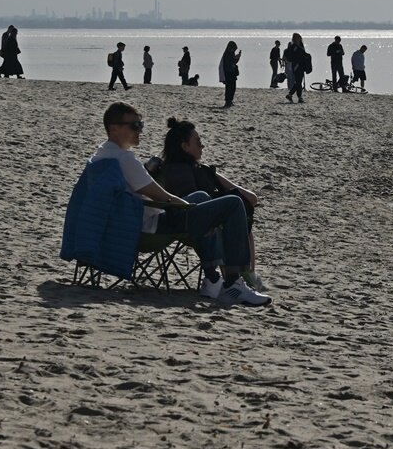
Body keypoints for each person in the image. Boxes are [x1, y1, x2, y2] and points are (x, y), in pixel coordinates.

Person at [91, 103, 270, 307]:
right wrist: (189, 208)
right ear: (114, 128)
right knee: (233, 204)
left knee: (202, 198)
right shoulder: (125, 159)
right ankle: (233, 283)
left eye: (141, 125)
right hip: (148, 228)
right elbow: (162, 196)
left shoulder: (101, 155)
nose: (140, 130)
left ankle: (212, 279)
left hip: (125, 223)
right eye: (135, 125)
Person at [158, 117, 268, 292]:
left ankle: (241, 276)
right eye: (199, 143)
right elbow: (251, 199)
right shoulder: (195, 172)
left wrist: (215, 176)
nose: (203, 147)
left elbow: (252, 199)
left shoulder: (167, 170)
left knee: (237, 211)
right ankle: (244, 275)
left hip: (184, 224)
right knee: (234, 212)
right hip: (193, 225)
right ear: (185, 146)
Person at [283, 33, 311, 103]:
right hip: (297, 66)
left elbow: (302, 54)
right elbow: (298, 55)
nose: (299, 39)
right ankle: (294, 95)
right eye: (298, 38)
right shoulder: (294, 47)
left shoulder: (298, 46)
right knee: (298, 82)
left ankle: (297, 96)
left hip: (300, 66)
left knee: (298, 82)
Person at [218, 40, 241, 108]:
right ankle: (228, 101)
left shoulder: (231, 53)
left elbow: (234, 62)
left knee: (233, 88)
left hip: (232, 73)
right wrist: (236, 58)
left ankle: (230, 101)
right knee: (229, 88)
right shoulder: (227, 54)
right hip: (229, 73)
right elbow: (231, 62)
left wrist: (238, 57)